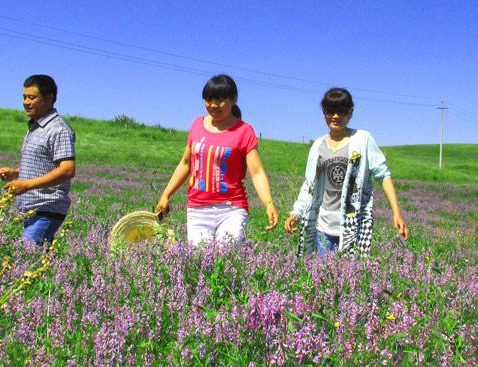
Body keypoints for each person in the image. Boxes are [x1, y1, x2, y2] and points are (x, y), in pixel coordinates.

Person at [155, 74, 278, 245]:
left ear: (233, 99)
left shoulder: (244, 131)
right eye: (208, 99)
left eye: (219, 100)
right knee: (199, 261)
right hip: (197, 208)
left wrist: (269, 203)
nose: (213, 105)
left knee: (225, 256)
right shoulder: (197, 125)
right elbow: (185, 163)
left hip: (232, 208)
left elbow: (256, 173)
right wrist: (166, 194)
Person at [284, 88, 408, 256]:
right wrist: (296, 213)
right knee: (322, 277)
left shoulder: (362, 139)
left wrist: (396, 213)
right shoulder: (318, 146)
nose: (335, 116)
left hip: (354, 225)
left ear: (350, 113)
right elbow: (309, 184)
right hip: (324, 225)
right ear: (324, 113)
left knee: (352, 278)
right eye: (330, 111)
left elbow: (383, 175)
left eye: (341, 111)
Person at [0, 75, 76, 245]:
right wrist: (17, 173)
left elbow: (67, 169)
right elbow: (48, 165)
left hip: (47, 207)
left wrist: (26, 185)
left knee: (25, 257)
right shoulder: (35, 127)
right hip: (29, 208)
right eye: (24, 97)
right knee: (38, 264)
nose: (26, 102)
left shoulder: (59, 129)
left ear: (49, 98)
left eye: (32, 97)